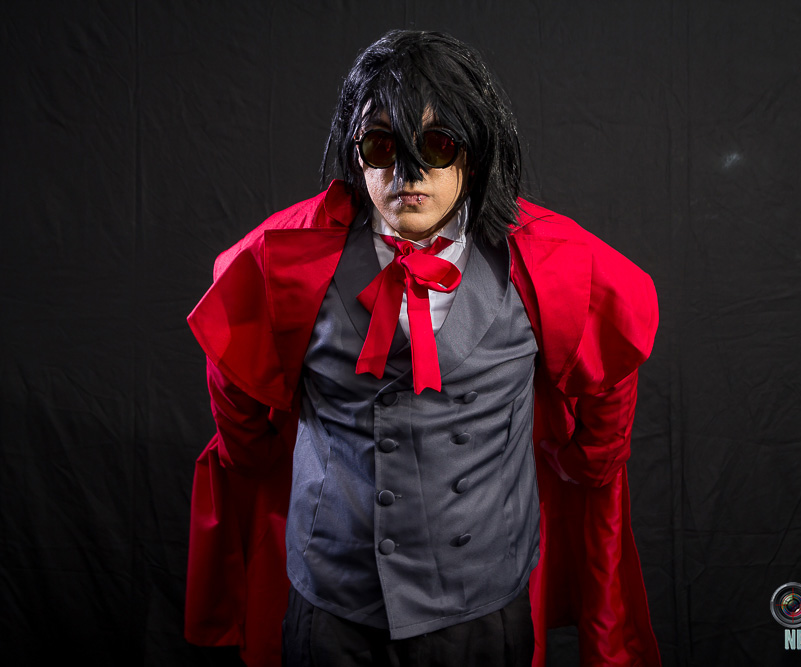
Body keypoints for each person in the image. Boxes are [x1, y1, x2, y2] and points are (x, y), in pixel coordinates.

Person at [184, 30, 660, 667]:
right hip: (334, 605)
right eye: (382, 145)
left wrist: (581, 464)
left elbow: (611, 381)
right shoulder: (281, 261)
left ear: (476, 150)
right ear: (355, 154)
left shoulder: (552, 263)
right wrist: (260, 455)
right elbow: (235, 398)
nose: (408, 174)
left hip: (482, 606)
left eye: (436, 144)